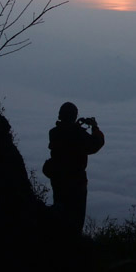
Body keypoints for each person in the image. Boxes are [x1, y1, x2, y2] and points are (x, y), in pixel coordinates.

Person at [43, 101, 104, 235]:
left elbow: (66, 136)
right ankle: (73, 245)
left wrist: (77, 126)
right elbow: (96, 144)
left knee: (60, 210)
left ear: (60, 115)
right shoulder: (77, 133)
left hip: (58, 180)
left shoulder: (54, 133)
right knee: (76, 219)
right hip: (76, 182)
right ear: (74, 116)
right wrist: (95, 127)